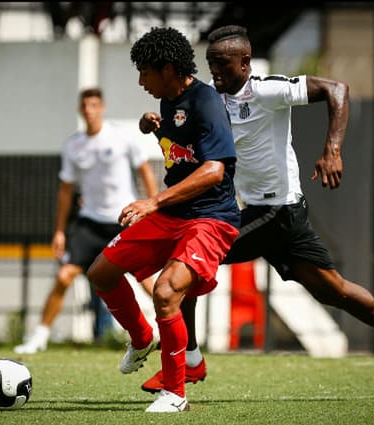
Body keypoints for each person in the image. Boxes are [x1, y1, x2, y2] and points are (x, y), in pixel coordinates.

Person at [138, 25, 374, 398]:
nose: (215, 71)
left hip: (277, 212)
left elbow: (338, 90)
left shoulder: (268, 89)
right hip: (270, 213)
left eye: (222, 63)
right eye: (211, 64)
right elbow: (191, 140)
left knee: (186, 259)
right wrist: (159, 129)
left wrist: (332, 148)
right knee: (334, 290)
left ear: (245, 62)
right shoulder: (213, 99)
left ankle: (189, 362)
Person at [85, 26, 241, 413]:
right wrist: (156, 127)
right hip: (173, 215)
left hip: (210, 219)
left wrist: (153, 201)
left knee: (167, 292)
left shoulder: (206, 101)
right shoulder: (172, 102)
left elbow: (213, 171)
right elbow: (183, 147)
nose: (140, 81)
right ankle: (141, 338)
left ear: (168, 68)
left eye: (144, 72)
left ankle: (175, 395)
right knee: (100, 274)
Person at [14, 87, 158, 354]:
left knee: (147, 279)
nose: (89, 110)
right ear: (81, 110)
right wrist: (59, 231)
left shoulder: (121, 138)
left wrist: (152, 207)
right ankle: (39, 337)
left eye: (94, 105)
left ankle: (177, 332)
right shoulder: (73, 146)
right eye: (85, 106)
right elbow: (66, 191)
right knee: (64, 275)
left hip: (122, 222)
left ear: (101, 108)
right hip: (89, 224)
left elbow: (145, 171)